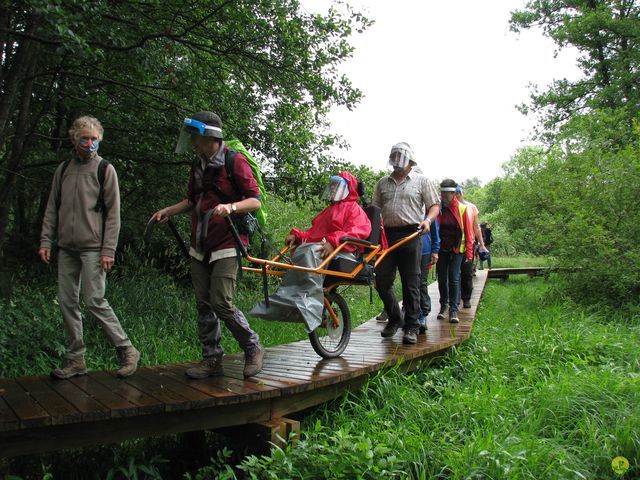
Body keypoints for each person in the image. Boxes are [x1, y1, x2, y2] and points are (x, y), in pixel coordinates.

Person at [151, 111, 264, 379]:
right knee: (203, 303)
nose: (193, 143)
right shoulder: (197, 164)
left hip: (228, 240)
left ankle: (252, 346)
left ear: (209, 136)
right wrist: (169, 210)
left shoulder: (233, 161)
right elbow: (192, 200)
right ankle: (212, 359)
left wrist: (231, 206)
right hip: (200, 241)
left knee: (221, 302)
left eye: (196, 137)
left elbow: (255, 200)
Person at [39, 115, 140, 380]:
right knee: (66, 302)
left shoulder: (105, 169)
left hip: (94, 247)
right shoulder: (63, 170)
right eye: (84, 138)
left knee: (94, 299)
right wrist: (45, 241)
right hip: (66, 247)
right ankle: (76, 359)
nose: (89, 143)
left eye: (94, 139)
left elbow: (114, 214)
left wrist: (109, 250)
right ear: (74, 138)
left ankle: (127, 349)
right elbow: (52, 208)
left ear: (100, 140)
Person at [251, 172, 371, 330]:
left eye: (337, 186)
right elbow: (314, 234)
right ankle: (288, 299)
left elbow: (359, 231)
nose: (333, 189)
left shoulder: (354, 210)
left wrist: (333, 242)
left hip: (345, 252)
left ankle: (309, 303)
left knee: (311, 251)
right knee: (304, 250)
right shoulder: (329, 211)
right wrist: (298, 235)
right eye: (332, 186)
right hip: (327, 250)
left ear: (347, 189)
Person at [373, 142, 440, 344]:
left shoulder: (422, 181)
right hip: (387, 237)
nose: (396, 162)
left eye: (400, 158)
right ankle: (395, 318)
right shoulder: (382, 183)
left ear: (410, 161)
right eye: (393, 158)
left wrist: (428, 220)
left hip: (412, 234)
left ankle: (411, 326)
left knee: (411, 283)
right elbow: (375, 211)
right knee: (381, 280)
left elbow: (434, 205)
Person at [436, 179, 474, 323]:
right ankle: (443, 305)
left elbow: (469, 232)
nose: (443, 196)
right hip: (442, 248)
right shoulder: (438, 208)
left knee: (454, 276)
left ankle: (453, 309)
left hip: (458, 249)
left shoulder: (462, 209)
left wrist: (469, 254)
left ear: (453, 193)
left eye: (446, 194)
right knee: (441, 278)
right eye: (442, 193)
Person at [455, 185, 486, 308]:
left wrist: (482, 245)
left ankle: (466, 298)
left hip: (469, 244)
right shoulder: (449, 208)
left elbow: (476, 227)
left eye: (458, 193)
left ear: (462, 193)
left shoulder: (471, 207)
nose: (457, 195)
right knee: (454, 274)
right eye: (455, 193)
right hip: (454, 245)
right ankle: (455, 300)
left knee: (467, 272)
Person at [418, 218, 440, 333]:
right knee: (409, 282)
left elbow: (435, 232)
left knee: (421, 282)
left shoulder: (430, 212)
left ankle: (423, 314)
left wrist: (435, 251)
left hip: (425, 250)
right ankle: (411, 312)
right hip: (408, 250)